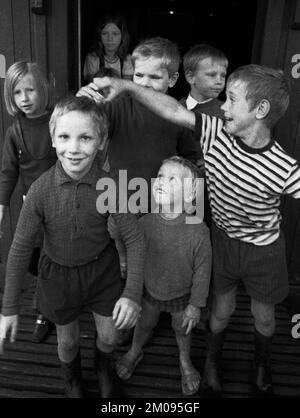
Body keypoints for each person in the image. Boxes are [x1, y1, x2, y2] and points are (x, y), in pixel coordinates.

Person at [91, 64, 299, 397]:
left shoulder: (284, 166)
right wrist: (124, 86)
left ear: (260, 110)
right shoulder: (216, 132)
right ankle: (212, 363)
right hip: (224, 241)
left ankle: (262, 363)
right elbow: (173, 109)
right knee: (222, 311)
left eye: (231, 100)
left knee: (264, 317)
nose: (223, 106)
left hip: (264, 249)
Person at [0, 95, 145, 398]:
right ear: (53, 139)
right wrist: (9, 307)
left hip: (101, 270)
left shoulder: (111, 186)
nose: (74, 148)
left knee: (111, 334)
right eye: (64, 137)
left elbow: (134, 238)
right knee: (67, 342)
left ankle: (103, 367)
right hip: (58, 275)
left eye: (85, 137)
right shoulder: (40, 190)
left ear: (101, 141)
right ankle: (72, 379)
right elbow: (20, 248)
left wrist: (132, 294)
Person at [78, 36, 202, 297]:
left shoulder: (177, 113)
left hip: (161, 201)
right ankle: (127, 294)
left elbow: (191, 158)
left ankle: (153, 302)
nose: (144, 84)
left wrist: (189, 201)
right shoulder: (116, 104)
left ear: (172, 79)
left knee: (156, 251)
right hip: (122, 194)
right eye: (138, 75)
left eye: (154, 77)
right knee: (120, 245)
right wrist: (85, 102)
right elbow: (88, 129)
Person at [115, 156, 212, 396]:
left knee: (183, 329)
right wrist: (116, 226)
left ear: (190, 196)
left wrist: (195, 306)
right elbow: (128, 244)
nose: (161, 181)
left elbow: (203, 271)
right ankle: (135, 350)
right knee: (144, 324)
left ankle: (184, 360)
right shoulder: (145, 222)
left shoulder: (199, 230)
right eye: (160, 176)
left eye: (172, 179)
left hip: (182, 294)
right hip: (150, 291)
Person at [0, 61, 57, 344]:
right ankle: (45, 305)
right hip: (31, 209)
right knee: (37, 261)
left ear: (43, 90)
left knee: (58, 254)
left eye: (30, 90)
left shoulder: (59, 120)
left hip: (61, 205)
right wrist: (1, 208)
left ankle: (47, 311)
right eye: (17, 93)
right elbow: (8, 172)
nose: (24, 98)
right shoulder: (15, 131)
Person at [180, 43, 228, 118]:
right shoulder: (173, 109)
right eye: (212, 75)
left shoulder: (226, 113)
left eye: (223, 76)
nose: (219, 81)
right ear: (191, 77)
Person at [83, 13, 133, 82]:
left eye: (115, 34)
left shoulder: (127, 59)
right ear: (99, 36)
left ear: (122, 36)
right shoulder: (93, 58)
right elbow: (93, 87)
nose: (110, 39)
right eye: (105, 33)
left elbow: (126, 88)